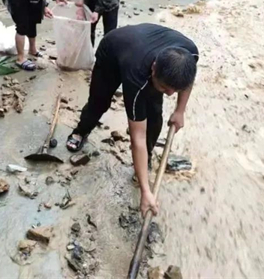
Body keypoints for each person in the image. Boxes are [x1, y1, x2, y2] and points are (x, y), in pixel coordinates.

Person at [66, 24, 199, 217]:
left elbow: (187, 81)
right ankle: (80, 131)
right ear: (153, 69)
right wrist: (146, 191)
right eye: (165, 88)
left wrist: (180, 110)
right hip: (112, 52)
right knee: (99, 103)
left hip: (143, 49)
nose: (170, 94)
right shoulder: (137, 76)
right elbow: (137, 137)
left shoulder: (190, 54)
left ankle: (146, 159)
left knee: (155, 115)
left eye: (174, 90)